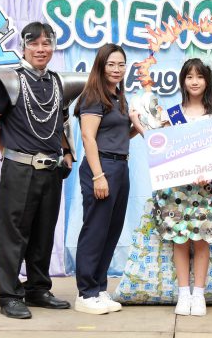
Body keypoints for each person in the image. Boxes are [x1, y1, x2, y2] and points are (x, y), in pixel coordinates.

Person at [132, 58, 212, 316]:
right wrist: (139, 125)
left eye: (200, 77)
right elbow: (160, 148)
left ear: (207, 81)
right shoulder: (171, 115)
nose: (194, 81)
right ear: (182, 81)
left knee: (202, 239)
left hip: (206, 190)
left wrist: (210, 173)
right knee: (179, 239)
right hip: (177, 190)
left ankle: (198, 295)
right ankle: (184, 294)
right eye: (189, 77)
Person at [0, 22, 74, 319]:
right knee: (14, 233)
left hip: (51, 169)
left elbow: (61, 122)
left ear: (53, 47)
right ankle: (9, 295)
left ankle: (37, 288)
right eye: (34, 44)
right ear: (23, 47)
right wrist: (5, 149)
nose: (41, 49)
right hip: (20, 169)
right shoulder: (9, 80)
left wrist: (67, 152)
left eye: (46, 43)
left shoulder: (57, 82)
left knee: (43, 231)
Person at [73, 43, 138, 315]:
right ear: (101, 66)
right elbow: (88, 137)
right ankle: (85, 293)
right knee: (96, 230)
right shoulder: (93, 96)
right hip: (101, 167)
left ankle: (99, 288)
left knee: (111, 230)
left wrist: (139, 125)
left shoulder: (119, 96)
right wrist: (98, 176)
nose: (116, 69)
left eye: (121, 64)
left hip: (120, 166)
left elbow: (120, 135)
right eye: (111, 64)